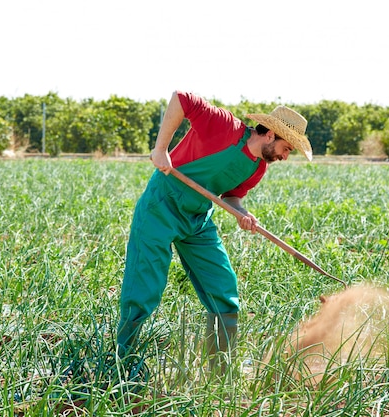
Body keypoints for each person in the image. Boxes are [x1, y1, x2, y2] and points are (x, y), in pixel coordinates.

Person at [116, 90, 313, 373]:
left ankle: (220, 370)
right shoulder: (224, 126)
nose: (285, 156)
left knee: (224, 289)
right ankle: (123, 360)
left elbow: (232, 197)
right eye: (287, 148)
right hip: (161, 206)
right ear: (270, 134)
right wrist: (161, 149)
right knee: (145, 287)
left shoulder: (257, 168)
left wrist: (243, 215)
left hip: (197, 218)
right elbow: (181, 99)